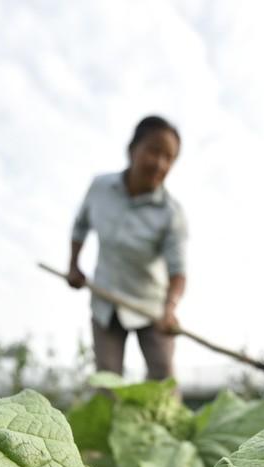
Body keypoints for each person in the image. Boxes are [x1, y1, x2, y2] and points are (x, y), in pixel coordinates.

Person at [67, 115, 187, 381]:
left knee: (163, 382)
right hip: (105, 302)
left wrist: (170, 309)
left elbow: (178, 272)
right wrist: (73, 265)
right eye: (154, 151)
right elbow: (79, 227)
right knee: (107, 382)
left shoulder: (171, 214)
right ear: (133, 149)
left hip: (151, 308)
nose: (159, 163)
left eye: (168, 158)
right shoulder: (100, 188)